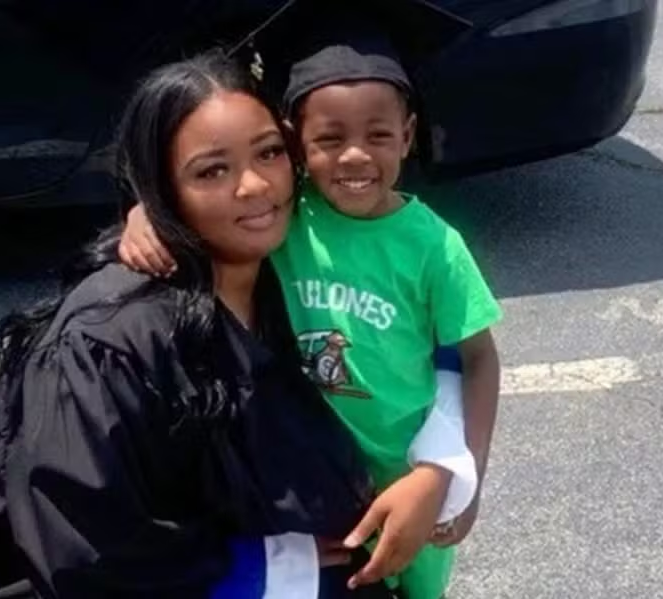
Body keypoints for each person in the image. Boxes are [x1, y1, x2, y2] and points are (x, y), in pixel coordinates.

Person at [0, 51, 399, 599]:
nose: (255, 185)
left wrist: (442, 473)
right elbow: (85, 551)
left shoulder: (291, 272)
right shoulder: (110, 340)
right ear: (161, 189)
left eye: (269, 152)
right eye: (211, 171)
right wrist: (264, 565)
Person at [118, 30, 503, 599]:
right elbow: (210, 206)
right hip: (309, 472)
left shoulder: (435, 248)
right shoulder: (288, 217)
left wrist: (464, 476)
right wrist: (145, 214)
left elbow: (478, 359)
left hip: (405, 472)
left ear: (408, 135)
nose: (355, 155)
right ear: (296, 143)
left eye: (378, 135)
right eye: (329, 138)